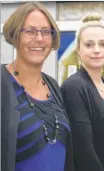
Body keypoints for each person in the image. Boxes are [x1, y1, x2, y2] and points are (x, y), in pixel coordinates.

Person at [1, 2, 74, 171]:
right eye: (30, 31)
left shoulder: (53, 86)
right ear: (15, 35)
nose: (39, 38)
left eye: (46, 32)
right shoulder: (3, 84)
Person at [61, 14, 104, 171]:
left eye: (103, 44)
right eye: (89, 45)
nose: (96, 50)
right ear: (78, 49)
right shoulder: (73, 87)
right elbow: (83, 151)